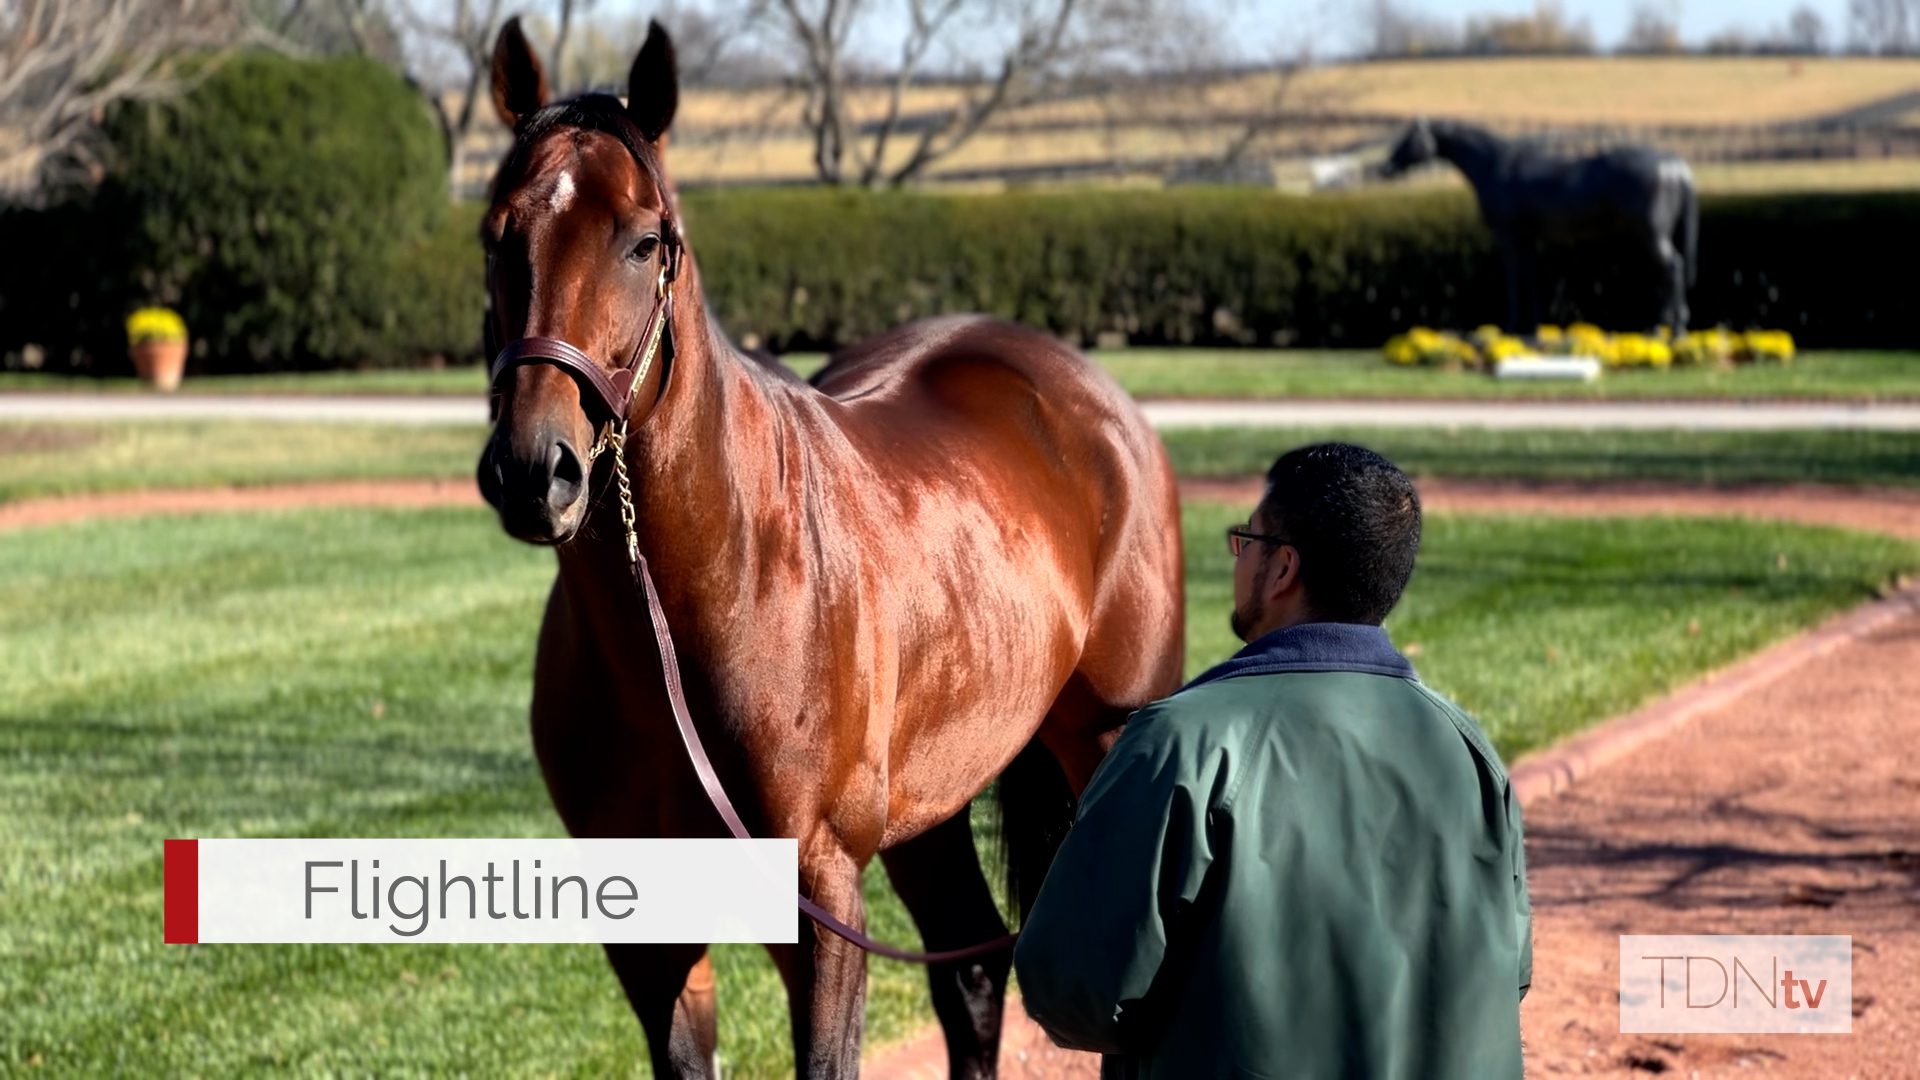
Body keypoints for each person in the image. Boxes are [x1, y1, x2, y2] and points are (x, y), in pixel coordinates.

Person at [1013, 442, 1531, 1079]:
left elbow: (1076, 993)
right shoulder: (1469, 748)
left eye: (1247, 540)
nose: (1239, 557)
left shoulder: (1179, 741)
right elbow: (1510, 974)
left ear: (1283, 568)